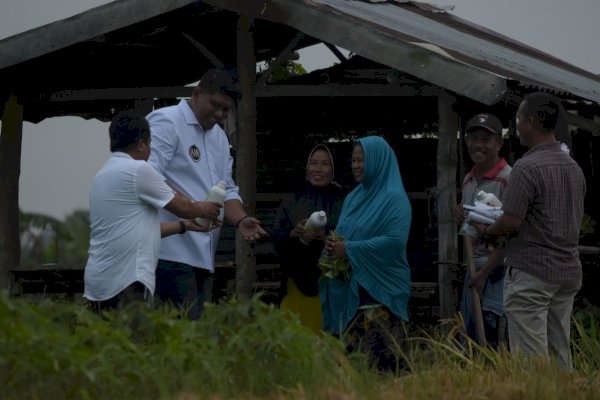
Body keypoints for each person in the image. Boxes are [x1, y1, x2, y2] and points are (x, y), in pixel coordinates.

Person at [146, 69, 266, 320]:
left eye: (226, 110)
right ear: (197, 94)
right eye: (216, 105)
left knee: (198, 336)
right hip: (169, 251)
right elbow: (148, 178)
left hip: (204, 255)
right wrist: (194, 209)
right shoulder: (166, 121)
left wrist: (241, 220)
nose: (220, 114)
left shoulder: (220, 138)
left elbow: (228, 189)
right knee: (182, 337)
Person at [478, 92, 586, 370]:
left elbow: (512, 220)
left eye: (518, 119)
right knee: (559, 353)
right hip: (567, 271)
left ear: (531, 122)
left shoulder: (526, 167)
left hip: (534, 272)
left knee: (531, 362)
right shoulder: (573, 167)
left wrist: (488, 230)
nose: (516, 125)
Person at [84, 111, 222, 314]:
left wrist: (185, 226)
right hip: (127, 280)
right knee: (135, 342)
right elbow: (183, 207)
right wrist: (207, 208)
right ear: (141, 144)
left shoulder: (103, 175)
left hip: (99, 282)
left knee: (109, 343)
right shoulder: (138, 170)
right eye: (150, 144)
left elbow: (140, 230)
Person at [320, 136, 412, 372]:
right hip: (352, 292)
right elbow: (343, 233)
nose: (356, 165)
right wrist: (332, 244)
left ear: (379, 161)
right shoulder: (353, 198)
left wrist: (348, 248)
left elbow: (394, 242)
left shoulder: (395, 199)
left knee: (385, 364)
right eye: (354, 160)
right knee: (354, 368)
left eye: (362, 160)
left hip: (380, 294)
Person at [453, 113, 512, 347]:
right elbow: (471, 225)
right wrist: (461, 215)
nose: (478, 145)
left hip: (499, 270)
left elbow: (509, 235)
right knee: (474, 338)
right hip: (474, 268)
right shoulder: (469, 180)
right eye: (473, 138)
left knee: (497, 335)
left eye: (485, 139)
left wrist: (485, 272)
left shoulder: (509, 179)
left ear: (498, 143)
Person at [273, 144, 345, 333]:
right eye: (314, 163)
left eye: (324, 164)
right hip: (295, 281)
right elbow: (277, 236)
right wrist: (293, 233)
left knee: (327, 338)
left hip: (331, 283)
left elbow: (352, 233)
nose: (318, 169)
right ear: (307, 168)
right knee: (297, 341)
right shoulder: (292, 200)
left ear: (333, 170)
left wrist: (326, 233)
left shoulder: (343, 200)